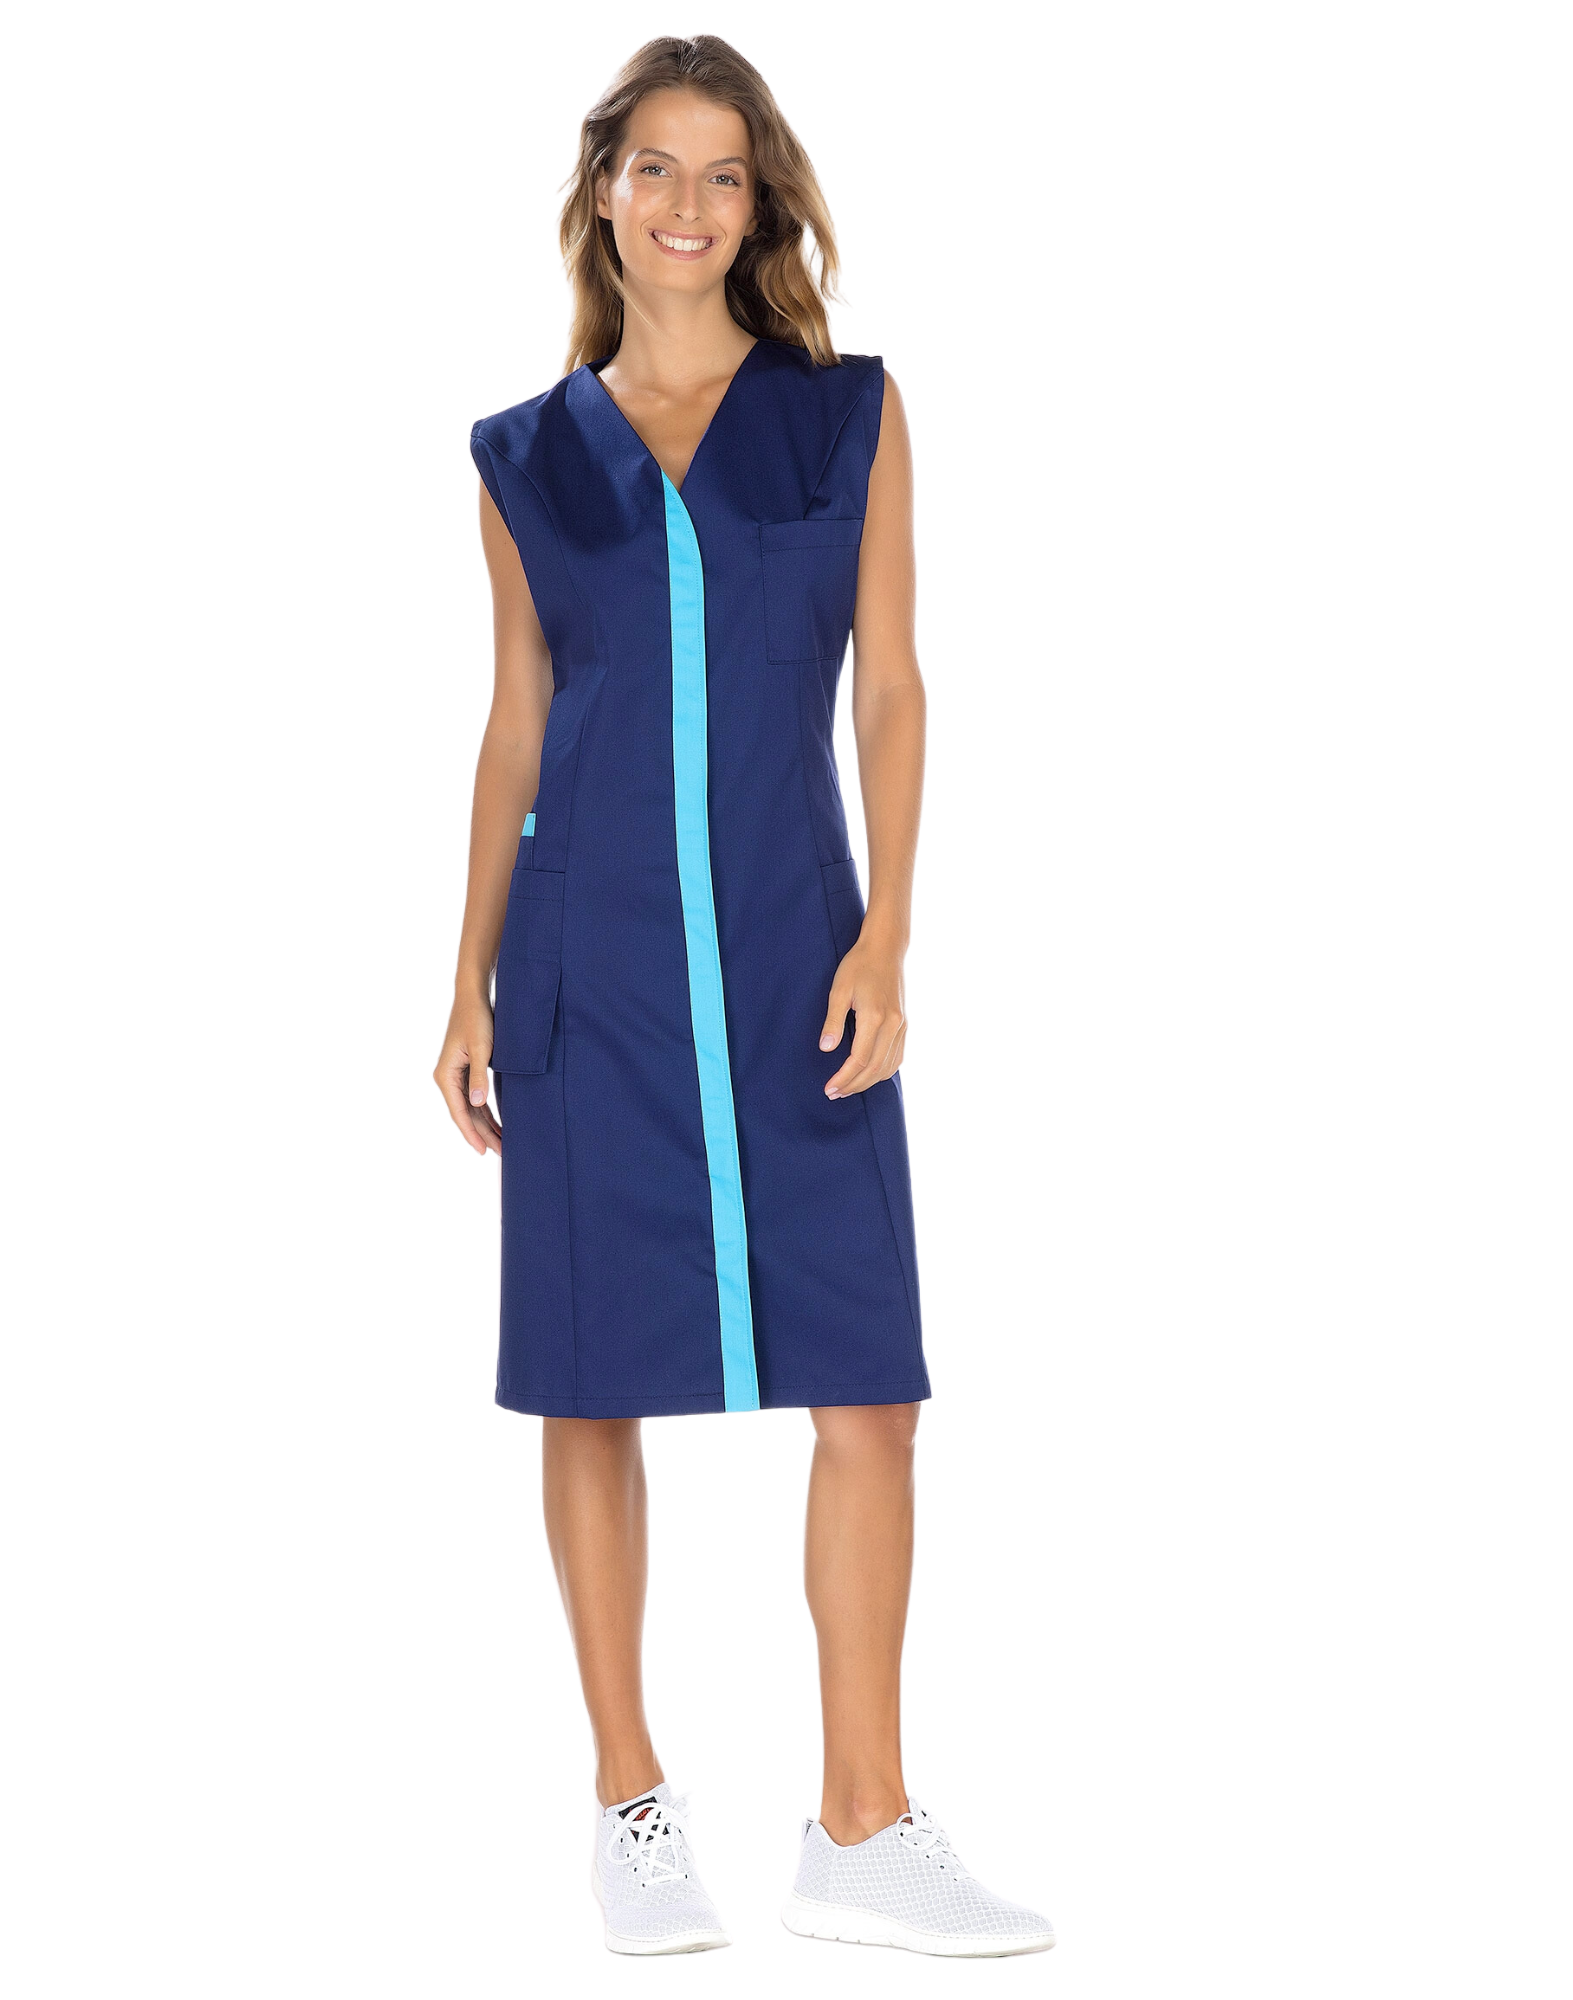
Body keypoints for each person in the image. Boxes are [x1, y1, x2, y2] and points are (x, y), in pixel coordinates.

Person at [431, 33, 1056, 1962]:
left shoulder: (849, 413)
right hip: (588, 966)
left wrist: (892, 932)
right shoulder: (524, 456)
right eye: (656, 168)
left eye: (725, 173)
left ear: (761, 201)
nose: (689, 205)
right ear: (602, 195)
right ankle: (630, 1806)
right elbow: (516, 723)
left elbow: (893, 683)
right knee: (586, 1380)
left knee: (872, 1383)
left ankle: (860, 1828)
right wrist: (466, 984)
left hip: (801, 957)